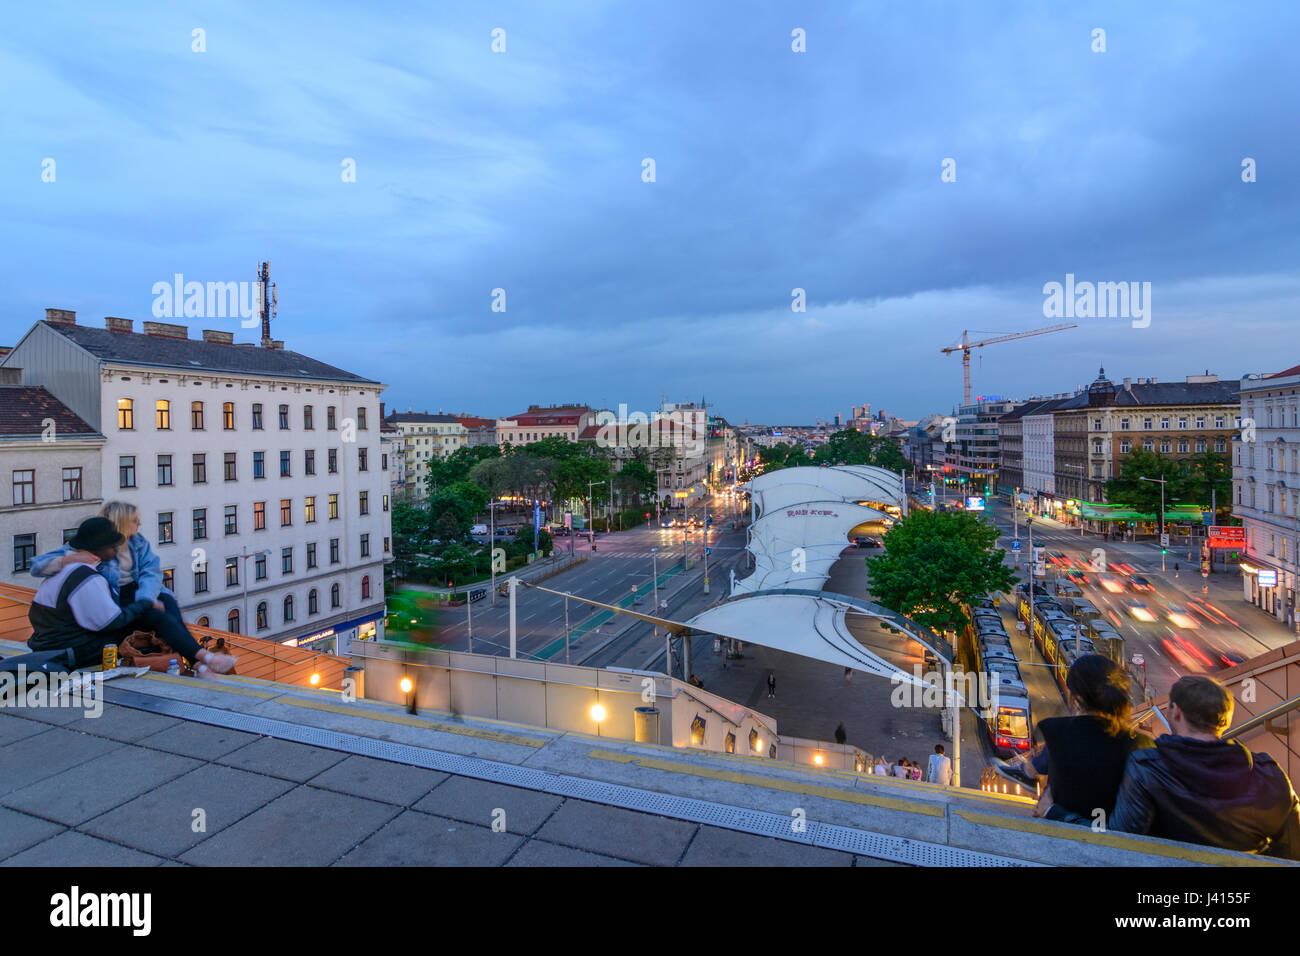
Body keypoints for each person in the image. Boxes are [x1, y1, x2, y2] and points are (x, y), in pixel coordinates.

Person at [1109, 676, 1300, 858]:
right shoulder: (1269, 774)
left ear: (1176, 712)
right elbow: (1294, 848)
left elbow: (1120, 842)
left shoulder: (1146, 767)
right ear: (1226, 719)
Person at [28, 517, 236, 678]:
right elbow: (111, 622)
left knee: (161, 602)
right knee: (151, 622)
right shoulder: (86, 578)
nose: (117, 549)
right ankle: (201, 660)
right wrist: (143, 605)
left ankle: (200, 660)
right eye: (112, 546)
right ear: (98, 549)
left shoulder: (69, 568)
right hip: (73, 650)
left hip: (56, 640)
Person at [994, 654, 1154, 823]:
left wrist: (1050, 811)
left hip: (1063, 836)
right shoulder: (1142, 744)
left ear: (1077, 697)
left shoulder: (1056, 732)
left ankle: (1027, 772)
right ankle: (1027, 772)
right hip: (1121, 845)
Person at [30, 501, 188, 636]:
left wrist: (145, 599)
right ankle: (189, 659)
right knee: (155, 617)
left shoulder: (138, 542)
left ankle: (191, 658)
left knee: (167, 601)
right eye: (135, 520)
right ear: (122, 523)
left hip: (137, 592)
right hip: (114, 599)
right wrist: (67, 560)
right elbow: (37, 566)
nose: (139, 523)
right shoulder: (93, 546)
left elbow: (151, 574)